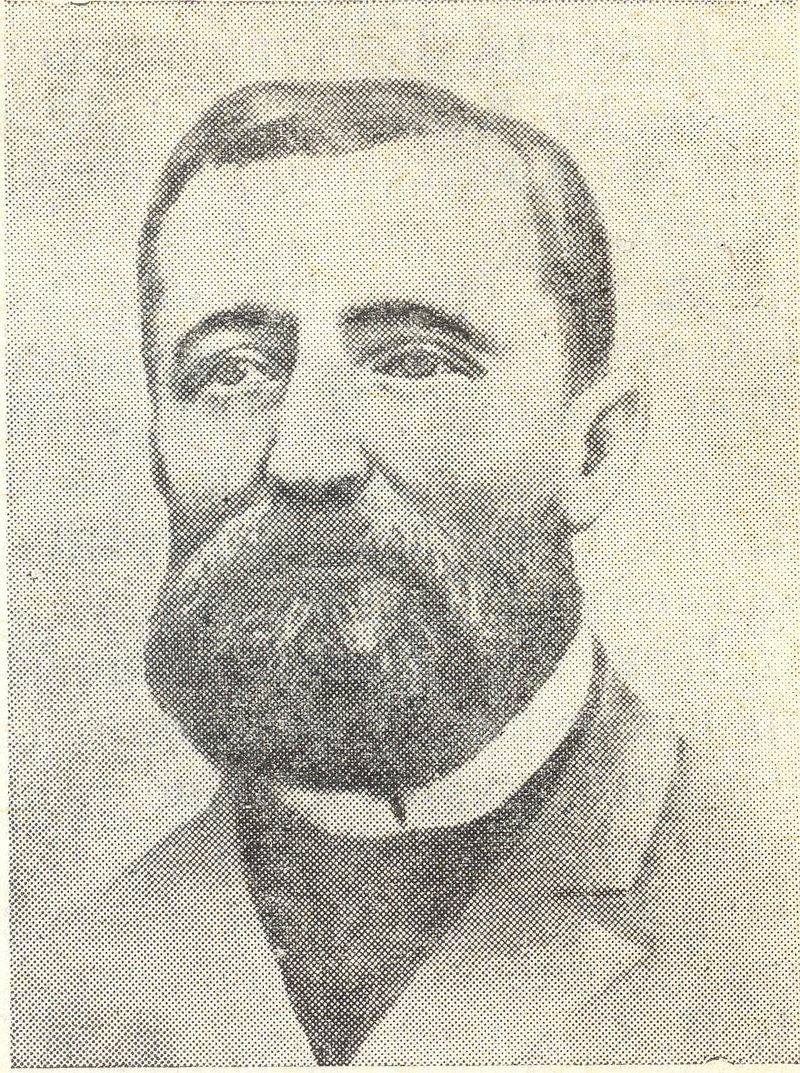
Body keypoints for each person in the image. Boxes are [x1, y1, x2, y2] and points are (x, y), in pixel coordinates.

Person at [12, 79, 764, 1067]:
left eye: (412, 361)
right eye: (234, 369)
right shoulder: (59, 983)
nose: (306, 457)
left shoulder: (765, 913)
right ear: (158, 440)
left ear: (592, 449)